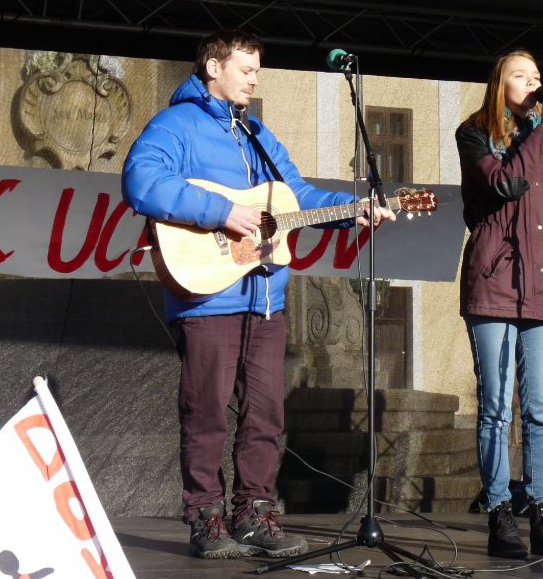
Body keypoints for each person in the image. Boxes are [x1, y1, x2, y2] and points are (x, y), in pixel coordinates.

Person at [122, 29, 394, 560]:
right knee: (205, 414)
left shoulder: (258, 135)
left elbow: (298, 196)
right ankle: (205, 516)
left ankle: (255, 513)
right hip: (209, 296)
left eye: (256, 69)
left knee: (267, 415)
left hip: (266, 298)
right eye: (244, 68)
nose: (254, 77)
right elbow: (140, 180)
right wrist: (223, 212)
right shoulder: (177, 125)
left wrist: (351, 208)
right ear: (212, 68)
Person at [456, 50, 543, 559]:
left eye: (537, 78)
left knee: (538, 411)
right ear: (500, 82)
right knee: (494, 408)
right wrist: (541, 130)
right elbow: (505, 182)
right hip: (492, 286)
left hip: (542, 292)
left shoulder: (542, 145)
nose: (532, 84)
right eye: (521, 76)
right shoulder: (474, 134)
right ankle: (500, 511)